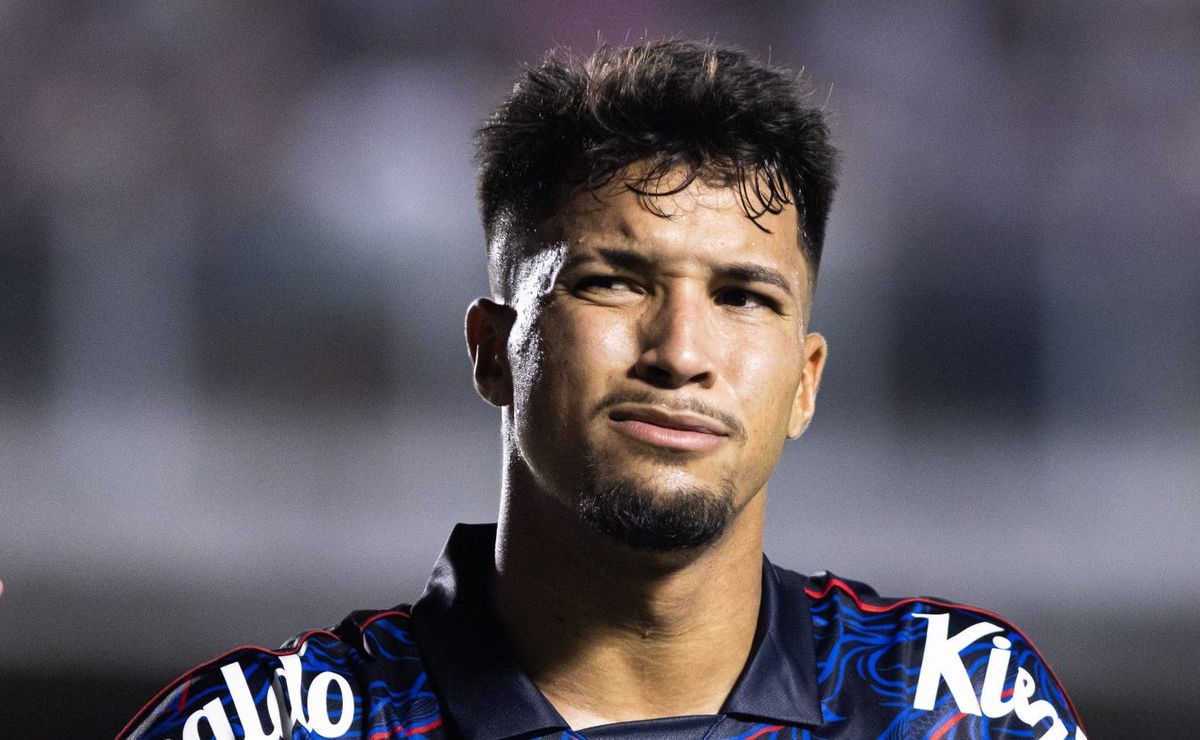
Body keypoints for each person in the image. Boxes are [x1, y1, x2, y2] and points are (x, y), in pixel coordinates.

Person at [121, 40, 1086, 740]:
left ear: (806, 382)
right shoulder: (270, 726)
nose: (681, 351)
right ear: (493, 350)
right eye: (613, 282)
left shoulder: (960, 706)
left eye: (744, 296)